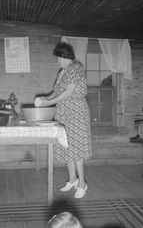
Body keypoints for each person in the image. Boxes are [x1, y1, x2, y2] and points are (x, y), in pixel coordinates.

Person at [34, 41, 92, 199]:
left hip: (76, 112)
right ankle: (72, 179)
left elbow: (68, 93)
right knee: (67, 145)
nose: (57, 61)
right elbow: (56, 91)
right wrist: (45, 99)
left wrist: (47, 103)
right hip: (64, 112)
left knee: (77, 147)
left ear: (65, 56)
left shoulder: (76, 68)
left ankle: (82, 183)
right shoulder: (62, 72)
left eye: (58, 58)